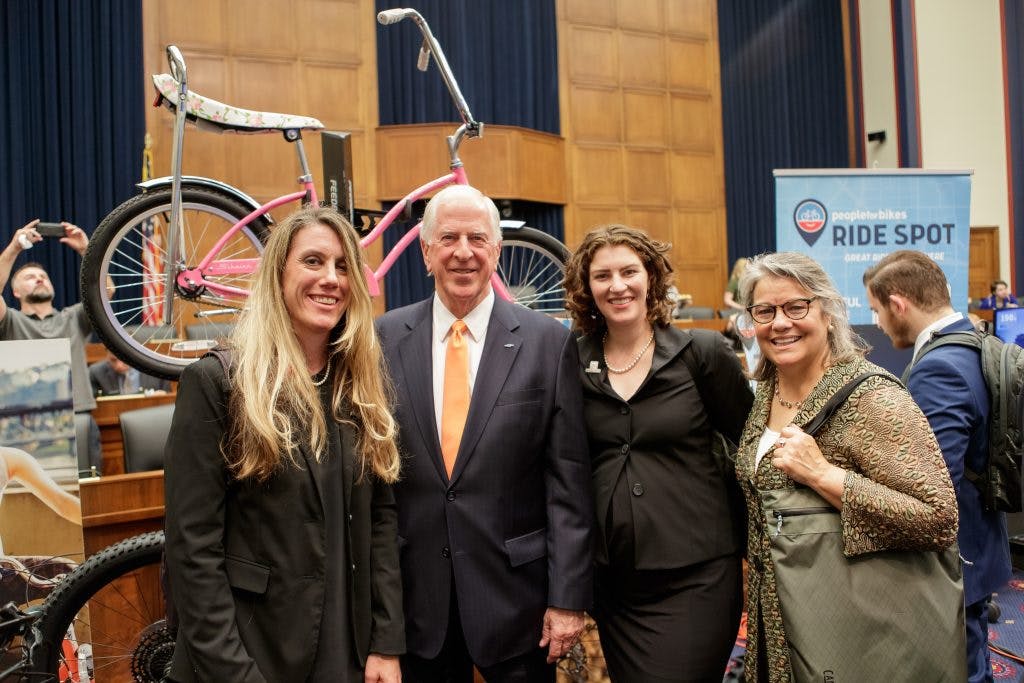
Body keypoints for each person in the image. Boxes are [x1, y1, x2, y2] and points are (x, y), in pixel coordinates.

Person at [164, 206, 404, 683]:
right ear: (277, 275)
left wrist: (386, 643)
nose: (330, 279)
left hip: (348, 652)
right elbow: (193, 552)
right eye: (312, 262)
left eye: (342, 266)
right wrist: (236, 673)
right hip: (249, 655)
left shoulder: (358, 386)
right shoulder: (218, 383)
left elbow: (381, 521)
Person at [376, 185, 593, 682]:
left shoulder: (549, 343)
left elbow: (569, 485)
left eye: (478, 238)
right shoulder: (382, 339)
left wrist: (568, 599)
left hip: (519, 601)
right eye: (448, 238)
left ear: (497, 250)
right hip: (416, 604)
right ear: (426, 251)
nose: (463, 252)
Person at [736, 251, 959, 682]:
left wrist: (824, 475)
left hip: (851, 632)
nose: (780, 322)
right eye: (765, 311)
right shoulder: (767, 391)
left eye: (796, 306)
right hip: (777, 622)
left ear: (828, 313)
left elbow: (938, 517)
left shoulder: (871, 397)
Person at [563, 225, 752, 682]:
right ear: (587, 287)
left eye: (629, 271)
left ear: (650, 277)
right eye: (602, 275)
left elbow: (750, 445)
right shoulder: (570, 359)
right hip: (616, 583)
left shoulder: (701, 353)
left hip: (698, 576)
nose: (617, 285)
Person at [864, 250, 1011, 683]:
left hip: (952, 559)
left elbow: (929, 482)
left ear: (898, 304)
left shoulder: (938, 368)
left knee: (963, 669)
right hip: (979, 543)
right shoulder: (977, 341)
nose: (876, 323)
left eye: (876, 311)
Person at [89, 351, 171, 396]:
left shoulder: (158, 368)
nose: (119, 365)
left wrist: (163, 395)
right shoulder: (96, 372)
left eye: (124, 359)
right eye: (113, 360)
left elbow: (169, 398)